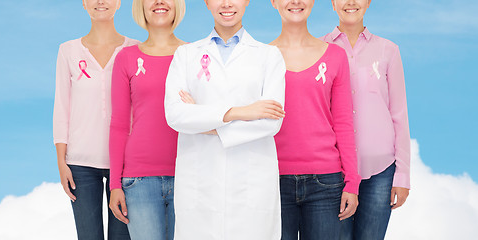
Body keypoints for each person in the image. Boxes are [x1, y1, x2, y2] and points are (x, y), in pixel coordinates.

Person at [164, 0, 286, 239]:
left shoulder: (269, 56)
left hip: (251, 184)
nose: (227, 4)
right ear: (207, 3)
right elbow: (176, 114)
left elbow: (271, 120)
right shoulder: (186, 55)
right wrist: (240, 112)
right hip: (200, 182)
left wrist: (202, 121)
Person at [269, 0, 360, 239]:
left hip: (326, 183)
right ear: (273, 2)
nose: (296, 2)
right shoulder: (262, 58)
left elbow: (343, 123)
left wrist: (352, 181)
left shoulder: (336, 57)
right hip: (272, 179)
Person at [320, 0, 411, 239]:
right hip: (333, 172)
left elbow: (399, 113)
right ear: (333, 4)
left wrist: (402, 176)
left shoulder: (388, 50)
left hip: (380, 171)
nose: (350, 2)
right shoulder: (318, 49)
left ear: (368, 2)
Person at [53, 0, 138, 239]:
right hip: (80, 164)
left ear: (119, 3)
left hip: (126, 163)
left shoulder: (135, 49)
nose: (101, 1)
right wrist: (61, 161)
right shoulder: (68, 51)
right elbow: (62, 107)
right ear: (84, 4)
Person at [107, 0, 185, 239]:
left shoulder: (194, 55)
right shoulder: (126, 58)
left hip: (188, 175)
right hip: (138, 181)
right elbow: (119, 124)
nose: (160, 2)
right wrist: (115, 185)